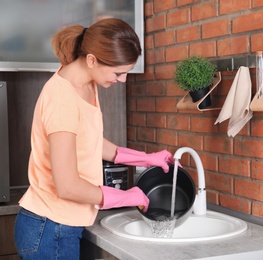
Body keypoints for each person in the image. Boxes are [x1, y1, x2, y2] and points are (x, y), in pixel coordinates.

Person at [13, 18, 174, 259]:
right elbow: (67, 186)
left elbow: (90, 143)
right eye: (119, 72)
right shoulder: (62, 100)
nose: (123, 80)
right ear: (91, 60)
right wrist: (127, 196)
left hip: (59, 226)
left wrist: (147, 159)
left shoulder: (86, 83)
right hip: (49, 229)